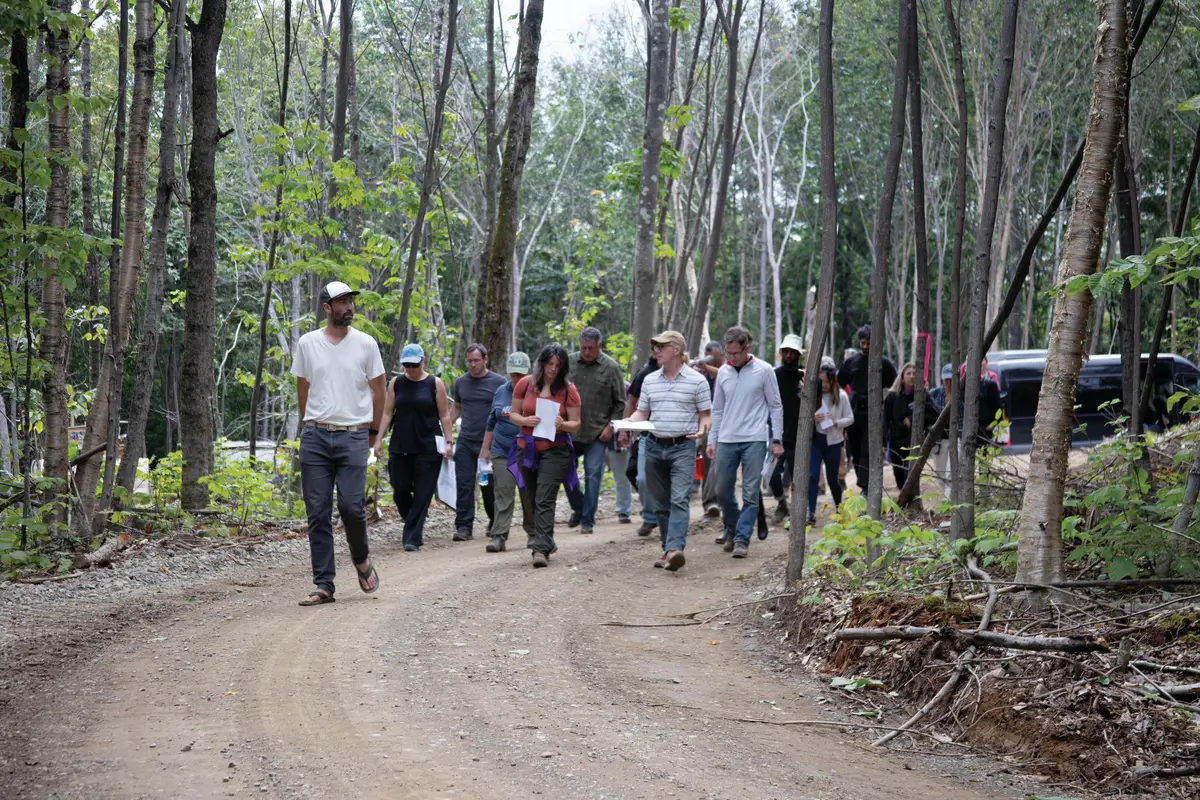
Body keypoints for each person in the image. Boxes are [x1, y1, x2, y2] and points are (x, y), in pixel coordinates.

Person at [291, 281, 385, 606]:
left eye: (350, 301)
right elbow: (302, 388)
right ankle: (324, 585)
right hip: (315, 435)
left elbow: (379, 390)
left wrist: (373, 433)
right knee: (317, 513)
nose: (349, 307)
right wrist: (309, 423)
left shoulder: (366, 344)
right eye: (342, 302)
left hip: (354, 435)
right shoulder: (307, 343)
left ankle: (361, 559)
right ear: (326, 308)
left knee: (351, 507)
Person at [622, 330, 712, 571]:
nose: (656, 351)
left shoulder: (698, 381)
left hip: (682, 447)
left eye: (662, 347)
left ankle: (675, 548)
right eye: (655, 347)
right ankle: (667, 549)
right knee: (660, 503)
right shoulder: (650, 380)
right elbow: (642, 412)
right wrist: (630, 421)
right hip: (652, 445)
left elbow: (705, 415)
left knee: (679, 499)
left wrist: (703, 431)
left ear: (676, 350)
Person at [707, 327, 783, 559]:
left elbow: (775, 406)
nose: (731, 358)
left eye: (736, 353)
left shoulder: (764, 370)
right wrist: (712, 439)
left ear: (747, 349)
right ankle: (732, 526)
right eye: (728, 353)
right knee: (722, 491)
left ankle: (741, 538)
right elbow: (717, 409)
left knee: (750, 493)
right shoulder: (724, 372)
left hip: (755, 439)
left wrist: (777, 439)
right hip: (727, 439)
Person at [508, 345, 582, 567]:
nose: (553, 369)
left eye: (558, 365)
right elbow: (513, 414)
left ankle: (539, 550)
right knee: (531, 497)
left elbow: (576, 424)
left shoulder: (569, 389)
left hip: (555, 448)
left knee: (544, 497)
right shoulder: (525, 384)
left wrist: (563, 424)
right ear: (541, 363)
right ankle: (546, 539)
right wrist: (523, 421)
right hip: (527, 447)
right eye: (550, 364)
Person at [376, 344, 454, 552]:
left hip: (428, 446)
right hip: (401, 444)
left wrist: (449, 442)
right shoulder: (396, 383)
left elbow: (444, 415)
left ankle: (411, 537)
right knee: (400, 490)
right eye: (407, 365)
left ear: (423, 361)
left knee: (422, 493)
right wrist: (378, 440)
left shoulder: (434, 384)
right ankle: (414, 524)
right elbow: (387, 412)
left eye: (414, 364)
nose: (410, 368)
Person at [565, 328, 627, 534]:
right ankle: (579, 507)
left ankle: (587, 520)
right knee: (565, 471)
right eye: (583, 348)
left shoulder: (611, 367)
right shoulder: (569, 362)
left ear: (599, 346)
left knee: (593, 474)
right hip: (570, 431)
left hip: (597, 433)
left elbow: (620, 403)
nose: (587, 352)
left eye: (591, 348)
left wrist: (611, 426)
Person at [450, 344, 506, 541]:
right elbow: (456, 407)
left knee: (486, 485)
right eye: (470, 361)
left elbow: (504, 413)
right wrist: (447, 432)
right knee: (463, 483)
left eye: (476, 360)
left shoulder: (499, 383)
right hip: (466, 442)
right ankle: (464, 526)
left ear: (485, 360)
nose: (473, 365)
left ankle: (494, 520)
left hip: (488, 444)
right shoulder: (461, 382)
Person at [480, 352, 533, 553]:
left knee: (528, 494)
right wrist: (485, 448)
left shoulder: (536, 392)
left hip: (527, 451)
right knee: (503, 492)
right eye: (513, 374)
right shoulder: (501, 391)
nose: (517, 378)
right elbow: (492, 421)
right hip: (502, 451)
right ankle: (499, 535)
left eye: (520, 374)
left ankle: (534, 533)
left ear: (528, 372)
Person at [838, 324, 897, 493]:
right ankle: (863, 482)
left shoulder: (884, 363)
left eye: (868, 343)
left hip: (874, 412)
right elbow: (840, 385)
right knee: (855, 450)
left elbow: (894, 385)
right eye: (862, 343)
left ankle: (865, 487)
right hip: (854, 411)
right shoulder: (851, 362)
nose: (865, 346)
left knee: (867, 449)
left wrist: (883, 402)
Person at [807, 363, 855, 524]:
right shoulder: (813, 395)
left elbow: (850, 418)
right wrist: (812, 419)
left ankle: (839, 508)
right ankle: (810, 513)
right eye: (821, 382)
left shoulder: (841, 396)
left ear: (833, 381)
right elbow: (802, 417)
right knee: (813, 476)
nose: (824, 385)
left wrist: (837, 422)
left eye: (826, 382)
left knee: (833, 479)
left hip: (834, 442)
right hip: (816, 440)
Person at [767, 334, 805, 522]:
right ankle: (782, 504)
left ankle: (798, 512)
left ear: (798, 355)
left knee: (798, 477)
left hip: (799, 435)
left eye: (792, 352)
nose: (789, 355)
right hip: (777, 434)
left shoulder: (805, 377)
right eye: (786, 352)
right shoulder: (774, 375)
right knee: (772, 476)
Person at [884, 363, 938, 490]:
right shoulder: (892, 397)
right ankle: (904, 503)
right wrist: (883, 442)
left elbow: (935, 414)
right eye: (908, 373)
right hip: (896, 443)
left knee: (911, 475)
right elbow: (885, 420)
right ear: (902, 377)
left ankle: (911, 501)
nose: (912, 376)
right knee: (899, 479)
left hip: (914, 443)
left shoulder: (923, 395)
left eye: (914, 374)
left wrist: (914, 418)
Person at [626, 354, 662, 536]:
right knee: (640, 477)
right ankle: (649, 517)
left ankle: (667, 517)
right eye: (657, 349)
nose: (659, 353)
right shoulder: (646, 374)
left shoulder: (684, 375)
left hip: (674, 436)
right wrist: (626, 427)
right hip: (646, 434)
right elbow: (632, 401)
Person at [691, 341, 725, 516]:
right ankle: (708, 501)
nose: (711, 362)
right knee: (706, 462)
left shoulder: (728, 369)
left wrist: (708, 366)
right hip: (703, 422)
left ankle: (712, 501)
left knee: (715, 459)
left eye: (715, 358)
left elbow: (726, 374)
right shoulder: (699, 374)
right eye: (708, 357)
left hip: (724, 422)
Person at [929, 363, 953, 497]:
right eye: (946, 380)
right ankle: (944, 499)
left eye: (951, 380)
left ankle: (949, 500)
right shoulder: (935, 394)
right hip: (939, 440)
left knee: (951, 473)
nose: (949, 383)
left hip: (956, 438)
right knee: (941, 473)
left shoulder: (963, 395)